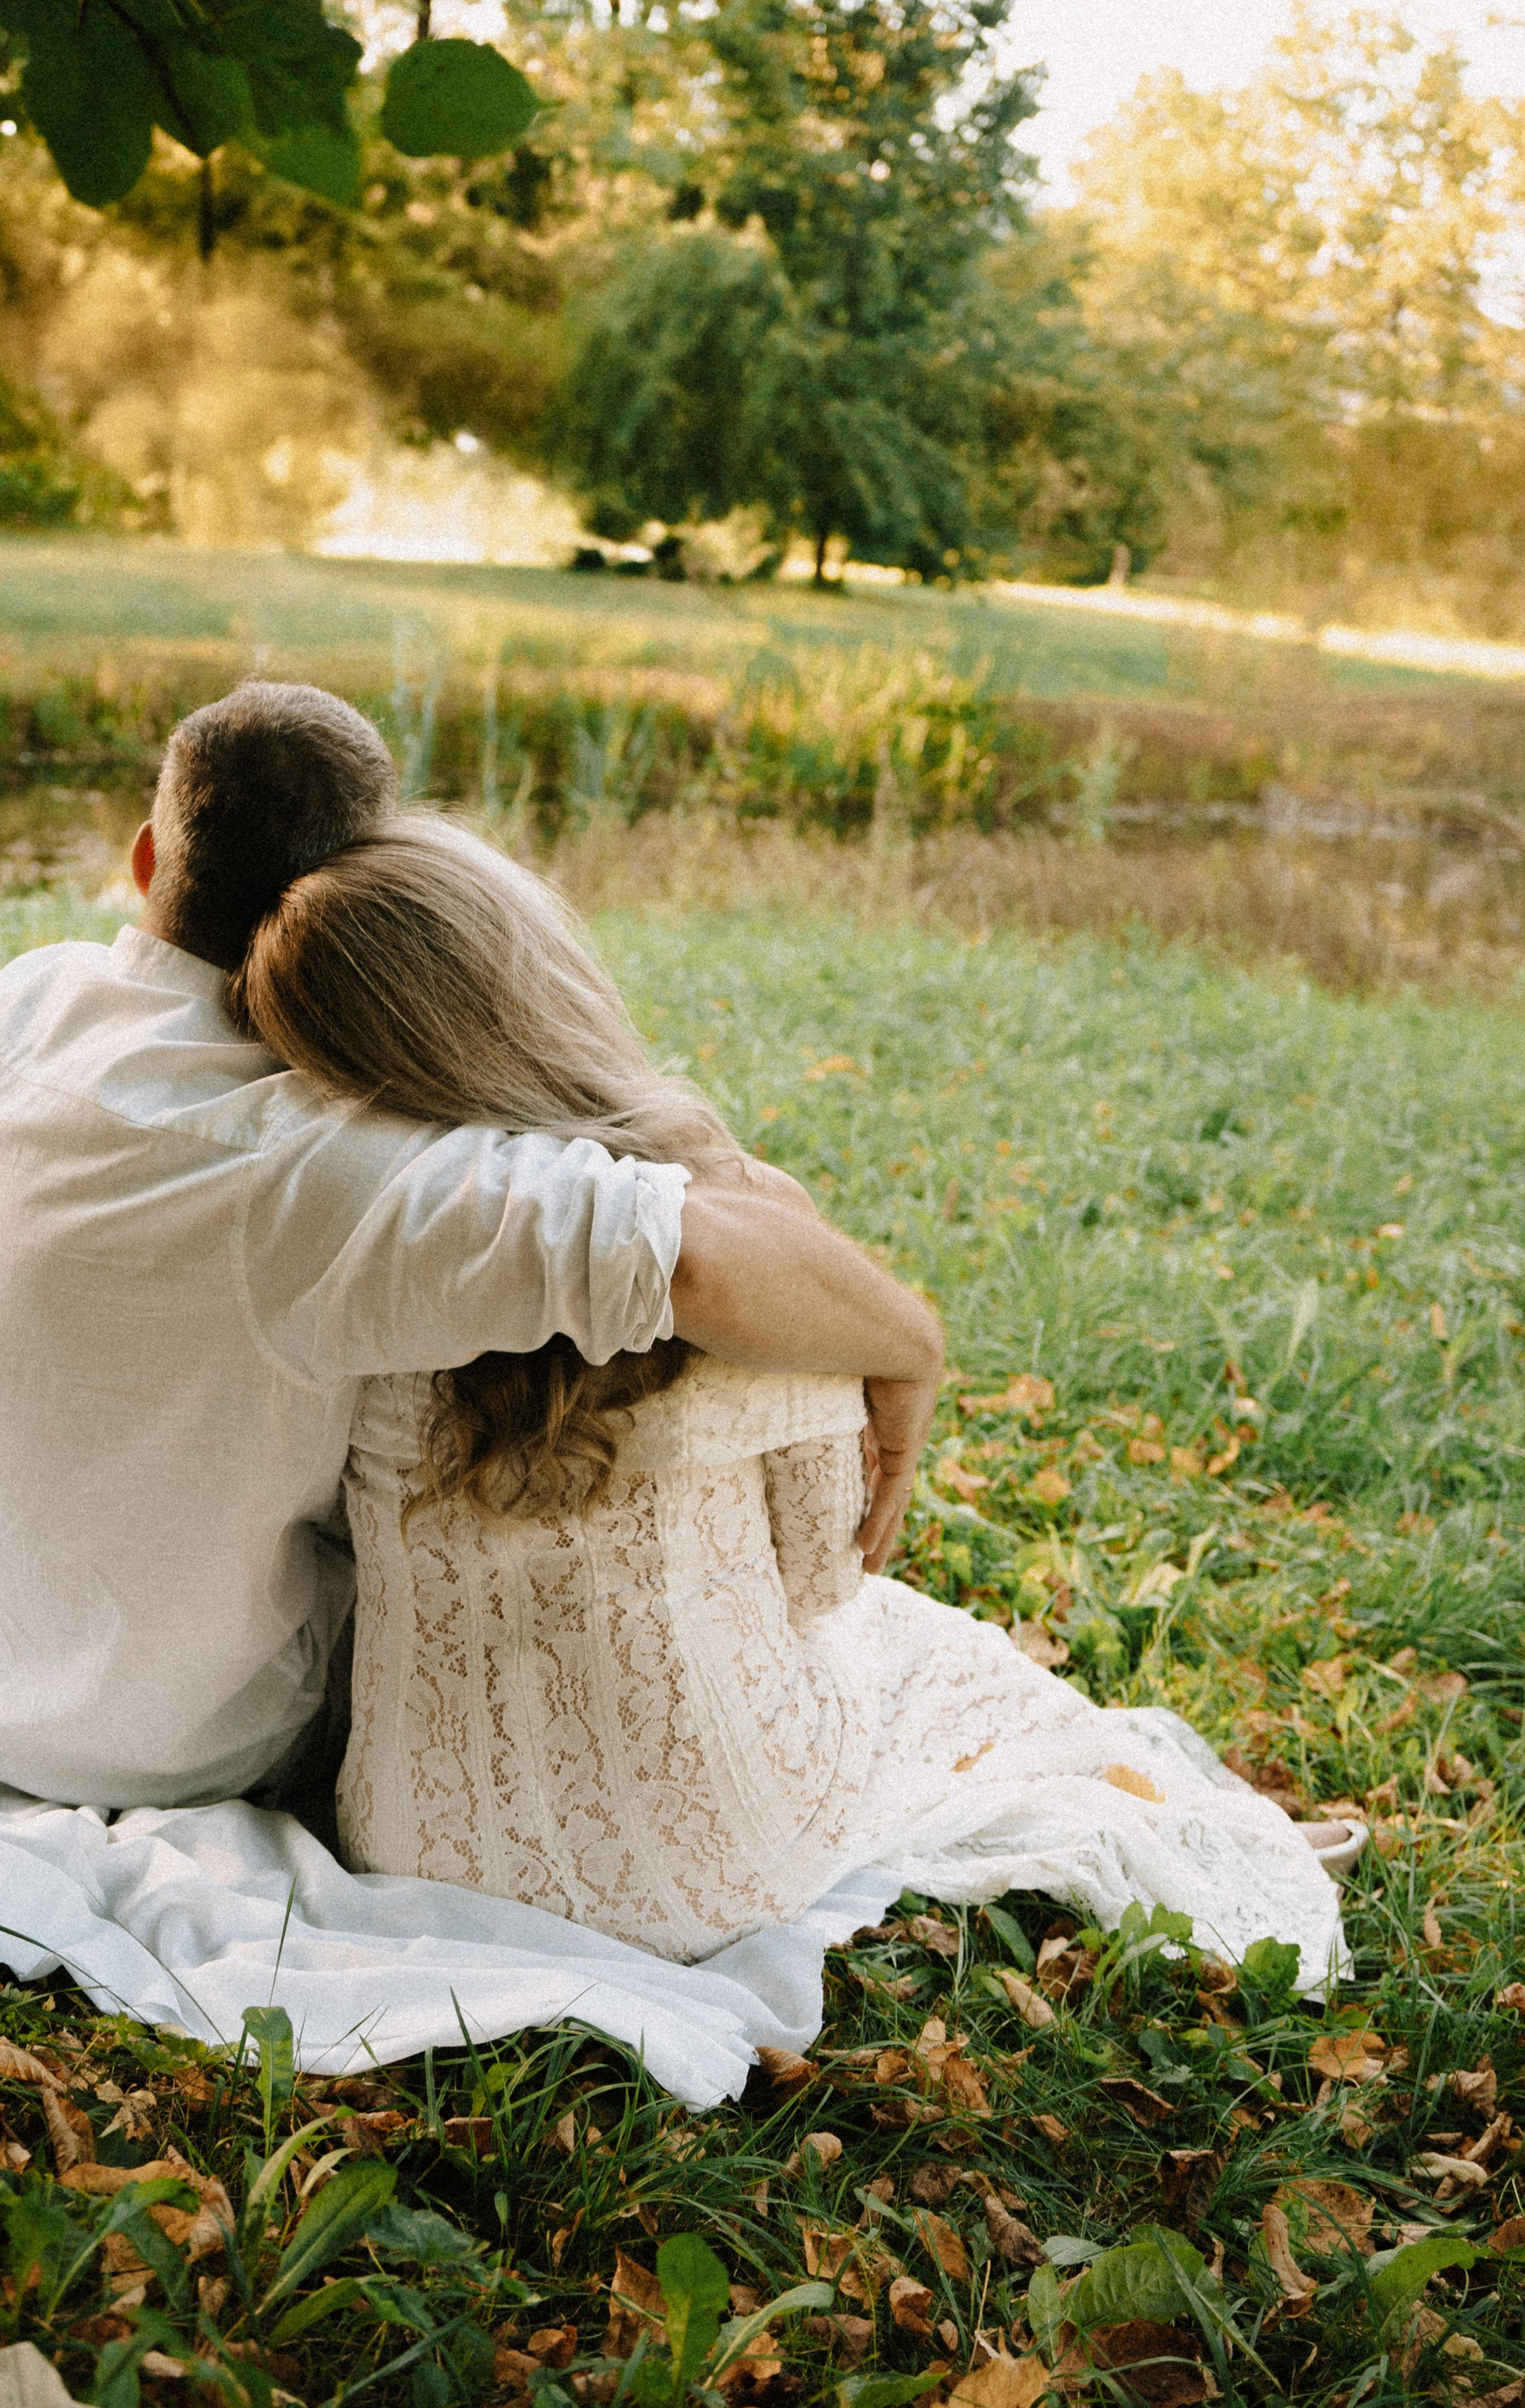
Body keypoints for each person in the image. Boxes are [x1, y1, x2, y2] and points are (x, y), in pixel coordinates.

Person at [233, 814, 1352, 1977]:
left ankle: (1161, 1806)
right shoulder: (735, 1224)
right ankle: (1189, 1822)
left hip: (412, 1835)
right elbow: (824, 1567)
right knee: (919, 1660)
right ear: (530, 981)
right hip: (706, 1865)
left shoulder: (331, 1248)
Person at [0, 682, 943, 1813]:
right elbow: (701, 1259)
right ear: (370, 889)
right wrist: (912, 1344)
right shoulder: (319, 1174)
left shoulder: (4, 1007)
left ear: (143, 859)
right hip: (159, 1742)